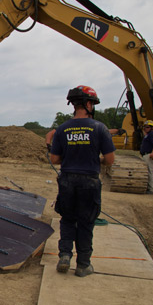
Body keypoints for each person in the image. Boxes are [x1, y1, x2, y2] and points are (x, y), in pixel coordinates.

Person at [50, 85, 115, 277]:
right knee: (86, 222)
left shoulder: (62, 129)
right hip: (89, 181)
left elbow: (54, 159)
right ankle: (83, 265)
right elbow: (110, 160)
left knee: (68, 219)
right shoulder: (99, 128)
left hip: (67, 180)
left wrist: (70, 158)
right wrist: (96, 159)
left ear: (73, 104)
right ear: (88, 104)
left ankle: (64, 256)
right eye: (92, 104)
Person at [140, 119, 153, 194]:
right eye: (144, 127)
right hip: (146, 155)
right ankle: (149, 187)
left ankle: (152, 189)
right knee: (147, 171)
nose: (145, 128)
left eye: (147, 127)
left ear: (152, 128)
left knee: (149, 171)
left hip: (149, 155)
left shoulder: (152, 134)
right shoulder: (148, 135)